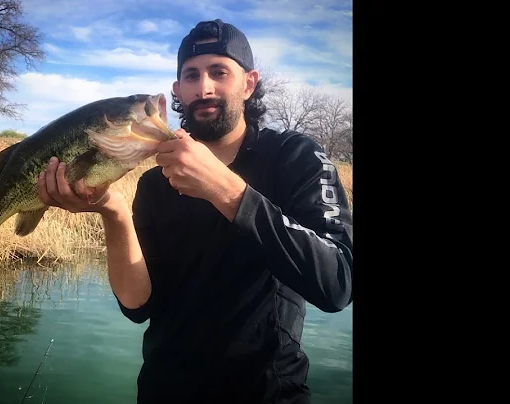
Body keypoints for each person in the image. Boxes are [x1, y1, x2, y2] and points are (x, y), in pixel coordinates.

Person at [36, 18, 353, 404]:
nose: (204, 87)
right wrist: (113, 211)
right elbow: (138, 306)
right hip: (163, 391)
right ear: (177, 92)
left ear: (249, 84)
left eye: (219, 72)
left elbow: (337, 282)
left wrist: (225, 189)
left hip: (268, 394)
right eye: (191, 75)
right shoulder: (155, 182)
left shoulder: (295, 157)